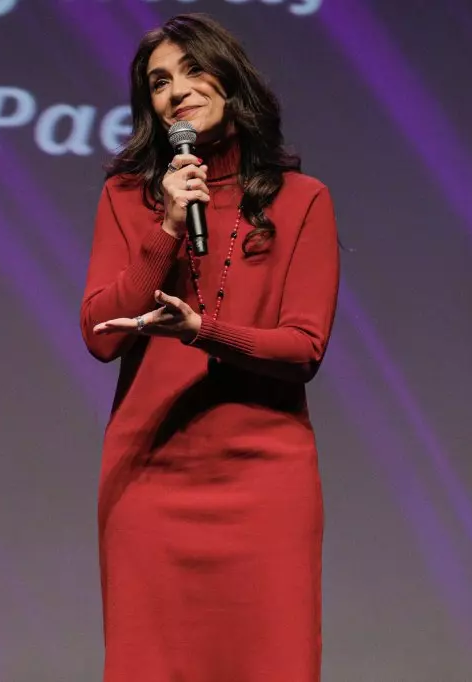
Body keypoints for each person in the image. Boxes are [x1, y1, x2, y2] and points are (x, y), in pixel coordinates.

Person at [79, 13, 339, 682]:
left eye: (193, 70)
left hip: (264, 480)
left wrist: (203, 332)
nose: (177, 90)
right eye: (159, 82)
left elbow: (303, 348)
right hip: (149, 479)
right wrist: (164, 227)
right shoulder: (127, 198)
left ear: (230, 79)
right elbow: (100, 332)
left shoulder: (303, 200)